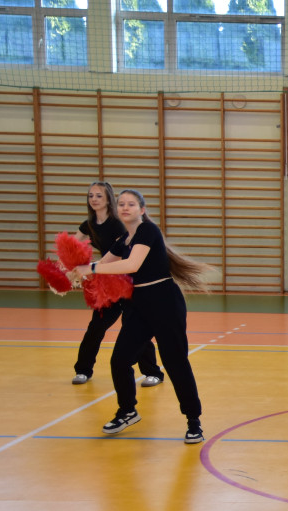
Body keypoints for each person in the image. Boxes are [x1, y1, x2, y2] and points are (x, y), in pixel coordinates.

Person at [70, 189, 207, 444]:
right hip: (138, 304)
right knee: (120, 360)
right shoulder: (124, 238)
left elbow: (131, 265)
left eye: (130, 204)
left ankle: (193, 421)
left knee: (175, 361)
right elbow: (107, 265)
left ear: (141, 209)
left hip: (164, 302)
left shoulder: (147, 231)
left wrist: (90, 268)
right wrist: (72, 272)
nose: (124, 207)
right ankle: (127, 410)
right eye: (121, 204)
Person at [70, 182, 164, 388]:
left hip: (128, 283)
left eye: (99, 196)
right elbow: (78, 248)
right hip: (107, 283)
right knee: (96, 327)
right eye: (91, 195)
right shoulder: (90, 224)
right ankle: (83, 370)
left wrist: (93, 269)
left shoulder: (122, 226)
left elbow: (129, 262)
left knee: (135, 327)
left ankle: (152, 372)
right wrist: (71, 266)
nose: (94, 199)